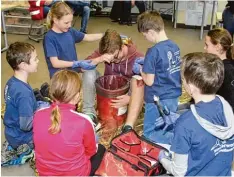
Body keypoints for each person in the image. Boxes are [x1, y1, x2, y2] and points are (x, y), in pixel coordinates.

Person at [159, 52, 234, 176]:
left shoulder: (185, 124)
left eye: (183, 79)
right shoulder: (227, 108)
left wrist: (161, 157)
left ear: (190, 86)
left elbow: (179, 172)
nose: (182, 83)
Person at [33, 70, 106, 176]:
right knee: (101, 148)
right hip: (76, 173)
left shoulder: (38, 115)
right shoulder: (84, 121)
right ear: (77, 96)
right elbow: (91, 151)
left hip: (45, 174)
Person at [43, 2, 104, 123]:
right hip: (61, 78)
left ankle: (88, 112)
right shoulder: (50, 37)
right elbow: (55, 63)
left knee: (91, 72)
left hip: (73, 73)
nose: (69, 25)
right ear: (55, 19)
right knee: (66, 109)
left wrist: (104, 35)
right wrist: (77, 63)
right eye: (66, 22)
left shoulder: (69, 31)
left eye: (70, 22)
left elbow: (86, 37)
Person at [135, 11, 181, 144]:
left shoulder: (153, 51)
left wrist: (141, 70)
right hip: (173, 96)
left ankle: (180, 141)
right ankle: (173, 142)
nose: (145, 38)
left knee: (149, 133)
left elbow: (149, 81)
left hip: (157, 100)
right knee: (167, 125)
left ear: (150, 32)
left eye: (144, 35)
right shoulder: (174, 46)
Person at [82, 29, 144, 124]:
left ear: (122, 46)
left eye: (115, 56)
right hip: (108, 90)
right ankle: (89, 114)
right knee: (89, 72)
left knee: (138, 80)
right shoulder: (106, 50)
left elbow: (151, 83)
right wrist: (99, 59)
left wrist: (131, 98)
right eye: (109, 58)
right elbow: (82, 68)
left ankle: (128, 119)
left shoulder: (138, 57)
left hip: (127, 94)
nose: (113, 61)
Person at [2, 42, 39, 166]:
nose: (38, 61)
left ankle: (13, 145)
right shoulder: (24, 94)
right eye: (35, 59)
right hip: (23, 137)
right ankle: (27, 152)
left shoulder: (11, 82)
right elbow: (26, 125)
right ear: (23, 65)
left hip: (11, 132)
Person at [204, 28, 234, 110]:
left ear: (218, 47)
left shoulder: (224, 71)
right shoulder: (223, 65)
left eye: (207, 45)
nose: (204, 48)